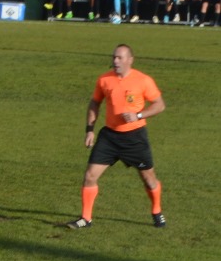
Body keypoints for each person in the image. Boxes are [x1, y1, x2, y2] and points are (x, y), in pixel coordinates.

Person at [67, 45, 166, 230]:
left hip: (135, 137)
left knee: (149, 179)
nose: (115, 61)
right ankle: (86, 218)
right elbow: (95, 102)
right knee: (90, 176)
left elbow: (159, 105)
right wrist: (90, 129)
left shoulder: (143, 80)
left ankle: (157, 211)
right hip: (110, 137)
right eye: (114, 57)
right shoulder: (105, 79)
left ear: (130, 60)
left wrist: (138, 115)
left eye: (120, 58)